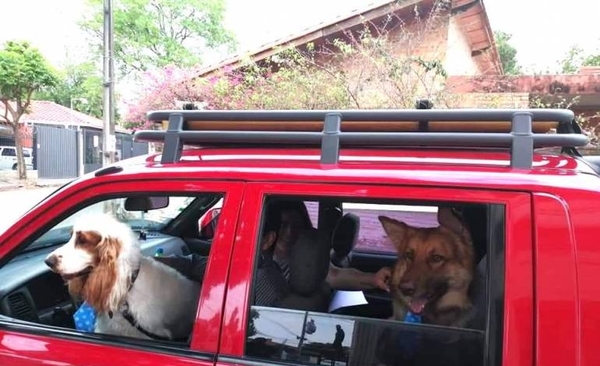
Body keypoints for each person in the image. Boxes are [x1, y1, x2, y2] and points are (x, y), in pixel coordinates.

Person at [268, 199, 391, 293]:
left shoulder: (308, 259)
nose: (289, 232)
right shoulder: (255, 256)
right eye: (283, 225)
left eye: (296, 226)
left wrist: (374, 279)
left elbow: (335, 275)